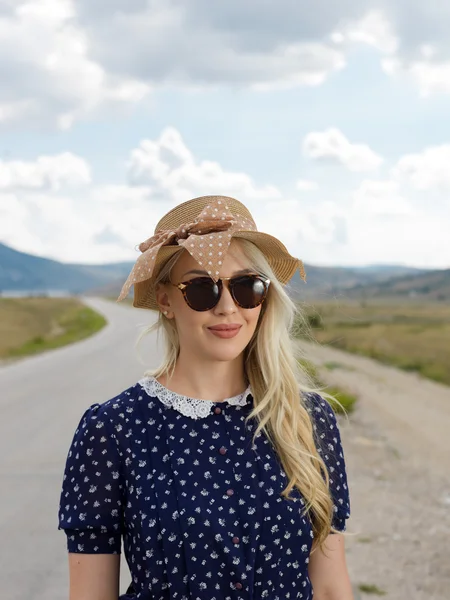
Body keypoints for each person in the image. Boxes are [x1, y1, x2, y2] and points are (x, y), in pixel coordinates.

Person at [58, 195, 353, 600]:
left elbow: (331, 586)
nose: (228, 307)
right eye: (201, 288)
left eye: (247, 286)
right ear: (165, 300)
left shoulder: (307, 418)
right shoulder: (113, 429)